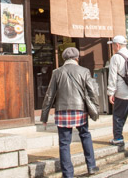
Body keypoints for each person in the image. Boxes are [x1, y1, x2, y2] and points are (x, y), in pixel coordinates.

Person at [41, 47, 100, 177]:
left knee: (64, 143)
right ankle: (91, 166)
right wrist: (96, 109)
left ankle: (68, 174)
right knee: (85, 135)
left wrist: (44, 116)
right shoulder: (84, 71)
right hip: (80, 109)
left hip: (62, 110)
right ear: (77, 58)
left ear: (64, 59)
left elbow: (49, 95)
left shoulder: (57, 72)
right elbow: (92, 92)